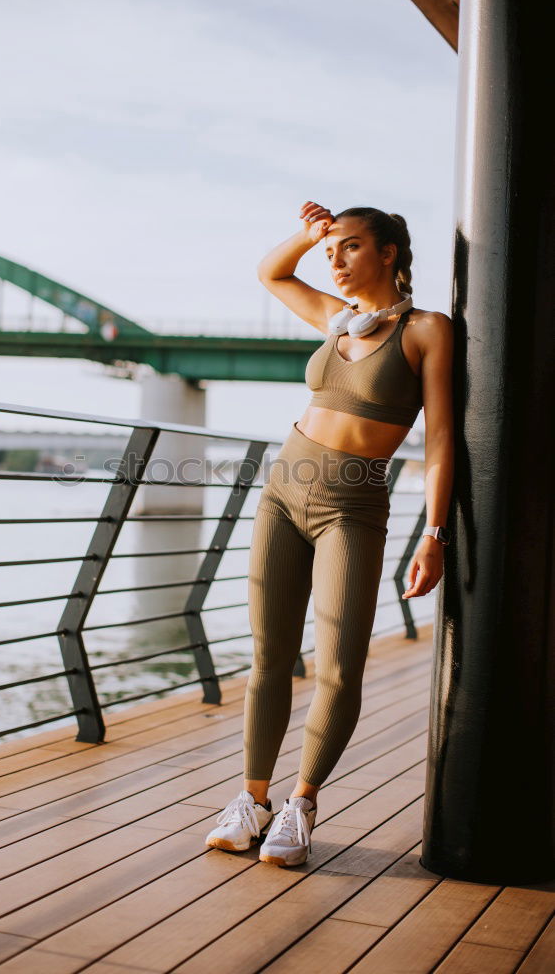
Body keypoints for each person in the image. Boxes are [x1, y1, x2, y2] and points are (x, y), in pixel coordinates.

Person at [205, 201, 454, 866]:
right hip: (283, 491)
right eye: (329, 251)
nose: (334, 261)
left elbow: (440, 437)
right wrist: (308, 233)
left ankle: (300, 805)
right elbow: (271, 272)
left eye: (347, 247)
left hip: (354, 502)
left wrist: (434, 532)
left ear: (389, 254)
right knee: (269, 657)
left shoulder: (426, 329)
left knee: (339, 667)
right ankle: (252, 800)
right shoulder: (335, 320)